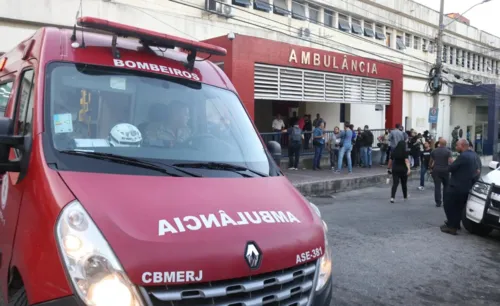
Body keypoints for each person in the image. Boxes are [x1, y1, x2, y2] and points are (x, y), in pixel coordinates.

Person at [441, 139, 477, 235]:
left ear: (462, 146)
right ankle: (455, 224)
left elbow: (452, 168)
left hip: (457, 185)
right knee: (459, 207)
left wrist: (450, 163)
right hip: (467, 185)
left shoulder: (463, 156)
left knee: (449, 204)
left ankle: (452, 226)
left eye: (457, 145)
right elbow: (477, 170)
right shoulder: (473, 155)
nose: (456, 147)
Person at [429, 138, 453, 207]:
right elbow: (450, 161)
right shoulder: (448, 151)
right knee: (446, 186)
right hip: (445, 170)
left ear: (439, 143)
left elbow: (431, 161)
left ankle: (438, 202)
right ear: (445, 144)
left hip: (436, 170)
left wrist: (430, 168)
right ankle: (445, 201)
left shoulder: (434, 151)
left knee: (437, 187)